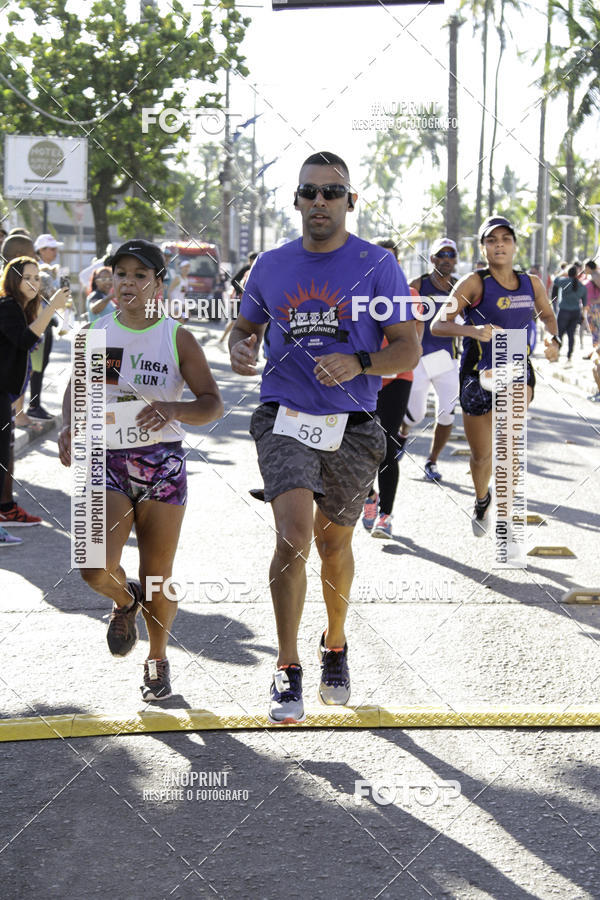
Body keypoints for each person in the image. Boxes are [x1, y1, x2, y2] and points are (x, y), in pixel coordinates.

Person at [229, 151, 420, 724]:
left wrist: (360, 359)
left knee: (334, 544)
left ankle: (334, 643)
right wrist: (238, 345)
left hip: (354, 426)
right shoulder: (270, 265)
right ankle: (287, 668)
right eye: (309, 192)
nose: (319, 202)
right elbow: (245, 327)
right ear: (296, 202)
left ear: (349, 201)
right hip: (283, 416)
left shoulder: (377, 264)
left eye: (331, 192)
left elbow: (407, 347)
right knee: (293, 536)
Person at [58, 239, 223, 700]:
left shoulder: (176, 337)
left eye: (139, 275)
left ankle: (157, 659)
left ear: (158, 282)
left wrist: (173, 408)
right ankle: (123, 598)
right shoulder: (96, 332)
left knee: (158, 573)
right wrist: (70, 425)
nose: (128, 283)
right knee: (93, 567)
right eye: (121, 274)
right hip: (105, 461)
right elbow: (77, 387)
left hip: (161, 464)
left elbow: (212, 404)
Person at [431, 215, 559, 536]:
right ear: (483, 247)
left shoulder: (532, 283)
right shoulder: (475, 282)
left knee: (509, 441)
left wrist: (551, 338)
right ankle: (481, 498)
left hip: (516, 367)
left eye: (505, 239)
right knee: (481, 456)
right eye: (492, 240)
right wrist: (472, 329)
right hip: (478, 373)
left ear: (515, 246)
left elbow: (547, 315)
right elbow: (438, 324)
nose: (499, 245)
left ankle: (507, 515)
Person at [0, 257, 68, 542]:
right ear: (13, 280)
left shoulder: (21, 308)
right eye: (27, 277)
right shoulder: (7, 306)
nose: (33, 282)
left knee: (3, 455)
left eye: (37, 277)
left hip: (6, 393)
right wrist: (51, 307)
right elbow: (26, 341)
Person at [361, 240, 416, 538]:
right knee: (359, 445)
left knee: (388, 446)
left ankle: (385, 516)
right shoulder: (357, 291)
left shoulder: (412, 294)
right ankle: (369, 495)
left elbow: (414, 340)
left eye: (391, 260)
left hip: (399, 377)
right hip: (364, 376)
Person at [396, 237, 460, 483]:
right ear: (432, 259)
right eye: (441, 254)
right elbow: (400, 317)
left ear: (455, 260)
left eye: (450, 254)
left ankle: (432, 461)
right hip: (420, 359)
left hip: (447, 360)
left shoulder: (460, 286)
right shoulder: (418, 285)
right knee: (415, 415)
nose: (446, 259)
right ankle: (403, 434)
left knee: (446, 414)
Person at [29, 233, 64, 420]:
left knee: (40, 365)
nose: (55, 251)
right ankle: (33, 405)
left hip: (48, 321)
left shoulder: (54, 270)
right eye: (51, 248)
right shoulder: (35, 270)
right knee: (36, 366)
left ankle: (35, 404)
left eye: (55, 248)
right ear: (40, 250)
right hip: (38, 322)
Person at [552, 264, 587, 364]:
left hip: (564, 311)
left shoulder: (565, 281)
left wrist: (562, 272)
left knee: (560, 334)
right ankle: (569, 356)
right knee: (571, 335)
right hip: (575, 312)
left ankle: (557, 353)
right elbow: (584, 304)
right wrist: (583, 316)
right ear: (577, 274)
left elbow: (555, 280)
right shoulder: (582, 286)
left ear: (568, 273)